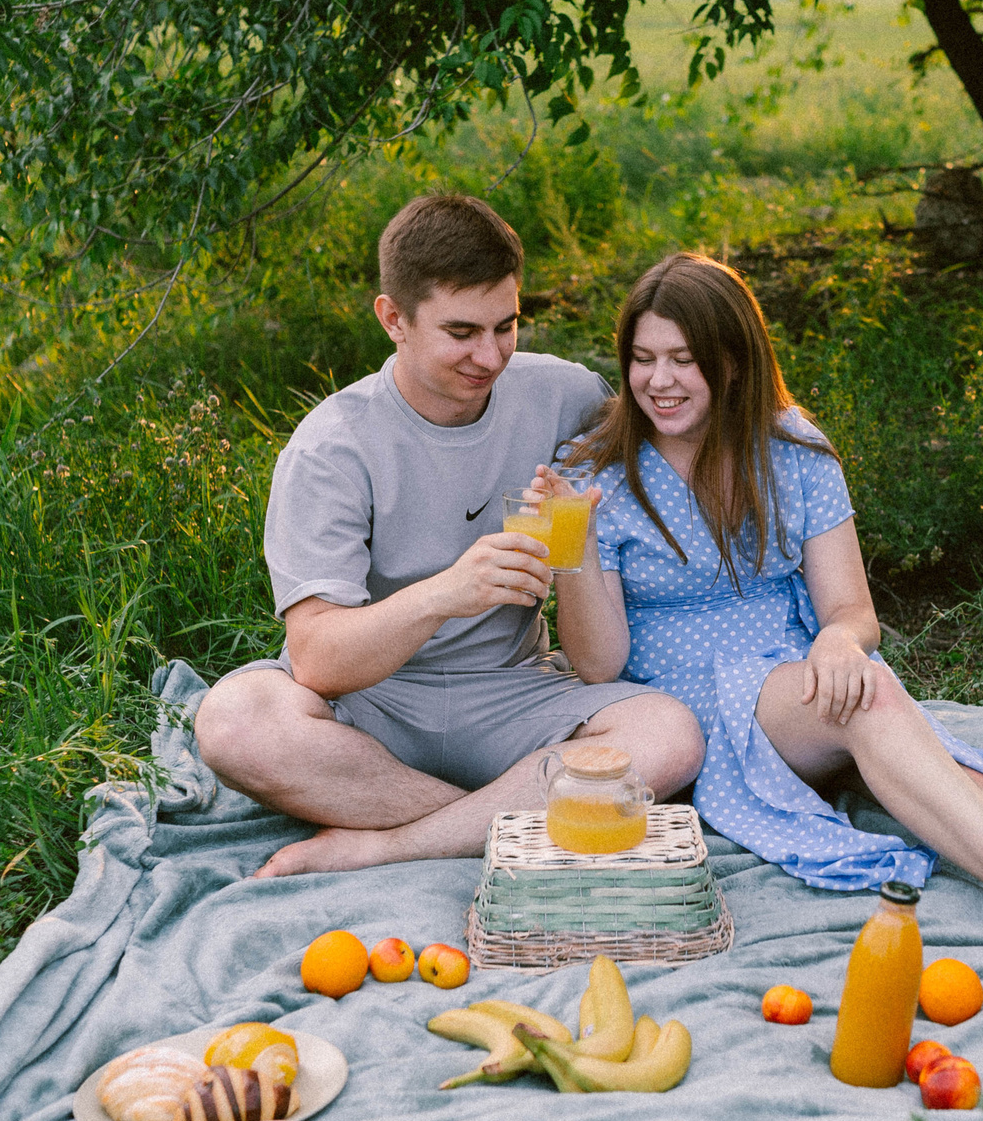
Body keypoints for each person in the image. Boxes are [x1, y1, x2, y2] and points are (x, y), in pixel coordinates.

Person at [544, 252, 983, 968]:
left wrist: (841, 642)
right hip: (690, 703)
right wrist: (575, 539)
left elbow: (850, 608)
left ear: (733, 361)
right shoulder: (595, 472)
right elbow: (599, 663)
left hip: (799, 683)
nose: (659, 381)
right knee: (872, 704)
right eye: (643, 358)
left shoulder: (789, 448)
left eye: (684, 359)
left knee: (954, 780)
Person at [194, 194, 703, 876]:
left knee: (669, 734)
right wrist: (446, 593)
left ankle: (394, 842)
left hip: (514, 692)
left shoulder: (563, 395)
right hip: (372, 705)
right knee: (232, 721)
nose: (489, 356)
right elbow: (316, 661)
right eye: (461, 332)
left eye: (507, 325)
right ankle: (496, 817)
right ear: (393, 319)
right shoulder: (333, 447)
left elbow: (681, 455)